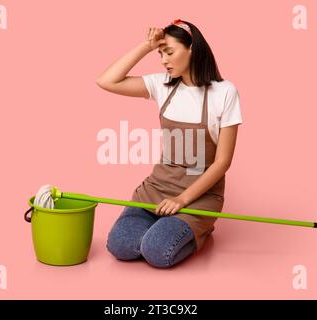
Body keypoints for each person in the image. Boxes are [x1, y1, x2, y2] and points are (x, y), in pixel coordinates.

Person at [96, 19, 243, 268]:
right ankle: (162, 227)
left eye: (170, 52)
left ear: (192, 49)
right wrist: (146, 46)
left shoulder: (224, 92)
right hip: (156, 190)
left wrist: (182, 200)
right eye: (161, 54)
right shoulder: (162, 85)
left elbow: (222, 162)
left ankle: (198, 230)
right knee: (119, 246)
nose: (164, 60)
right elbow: (106, 81)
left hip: (198, 197)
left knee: (157, 252)